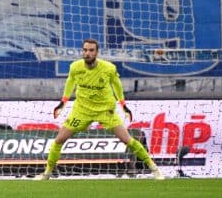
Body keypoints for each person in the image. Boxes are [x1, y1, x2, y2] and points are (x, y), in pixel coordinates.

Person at [35, 39, 164, 180]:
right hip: (82, 110)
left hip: (105, 110)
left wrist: (123, 105)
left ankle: (154, 168)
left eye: (91, 50)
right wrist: (63, 103)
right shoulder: (75, 67)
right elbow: (70, 82)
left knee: (126, 139)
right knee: (59, 140)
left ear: (97, 52)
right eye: (85, 50)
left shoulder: (108, 68)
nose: (87, 53)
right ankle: (47, 173)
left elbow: (117, 85)